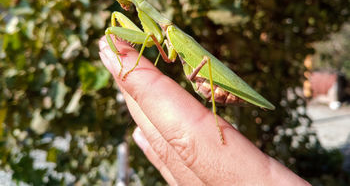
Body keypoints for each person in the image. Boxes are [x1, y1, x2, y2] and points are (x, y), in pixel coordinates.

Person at [99, 37, 310, 185]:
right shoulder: (163, 34)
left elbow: (165, 53)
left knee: (205, 61)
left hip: (212, 82)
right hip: (203, 81)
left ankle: (216, 121)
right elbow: (162, 52)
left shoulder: (170, 32)